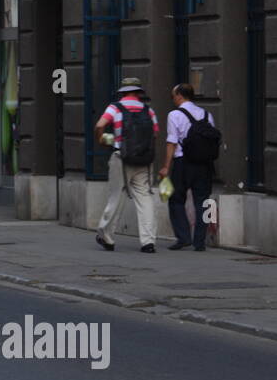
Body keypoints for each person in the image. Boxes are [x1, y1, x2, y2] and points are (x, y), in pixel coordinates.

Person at [93, 77, 159, 252]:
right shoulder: (148, 110)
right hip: (144, 161)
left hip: (121, 158)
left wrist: (101, 138)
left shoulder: (115, 108)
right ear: (138, 92)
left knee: (116, 196)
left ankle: (106, 236)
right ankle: (148, 241)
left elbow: (99, 125)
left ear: (122, 92)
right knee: (145, 199)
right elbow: (155, 134)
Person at [159, 82, 217, 251]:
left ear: (179, 96)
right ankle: (200, 242)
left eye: (173, 96)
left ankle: (183, 237)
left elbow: (171, 142)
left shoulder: (174, 115)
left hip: (182, 162)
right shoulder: (207, 115)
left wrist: (165, 166)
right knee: (203, 201)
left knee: (176, 199)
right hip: (204, 164)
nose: (173, 99)